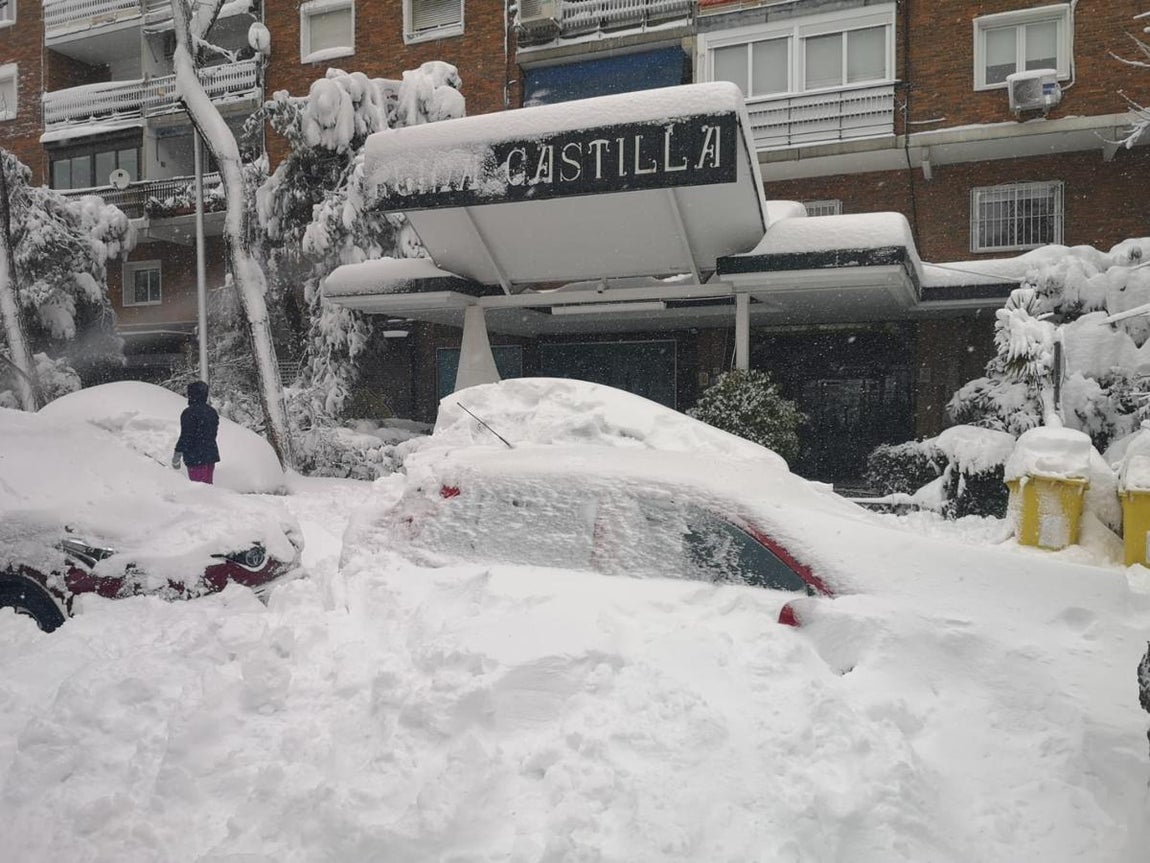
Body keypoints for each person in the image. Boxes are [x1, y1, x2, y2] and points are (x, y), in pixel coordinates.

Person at [172, 380, 220, 484]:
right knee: (207, 486)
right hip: (210, 454)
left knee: (199, 488)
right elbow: (213, 433)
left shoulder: (189, 413)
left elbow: (186, 436)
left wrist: (177, 453)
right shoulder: (211, 412)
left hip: (196, 456)